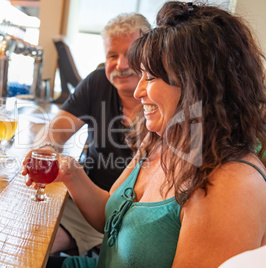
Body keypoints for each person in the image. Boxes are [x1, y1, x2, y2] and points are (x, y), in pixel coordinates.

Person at [23, 1, 266, 267]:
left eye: (149, 78)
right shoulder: (159, 138)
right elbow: (110, 218)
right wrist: (71, 173)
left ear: (195, 83)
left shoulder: (232, 184)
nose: (138, 92)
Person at [30, 13, 151, 256]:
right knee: (31, 241)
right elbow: (55, 130)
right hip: (84, 205)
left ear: (149, 56)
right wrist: (47, 150)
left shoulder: (160, 100)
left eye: (130, 55)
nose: (121, 64)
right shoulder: (98, 82)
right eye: (112, 56)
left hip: (133, 217)